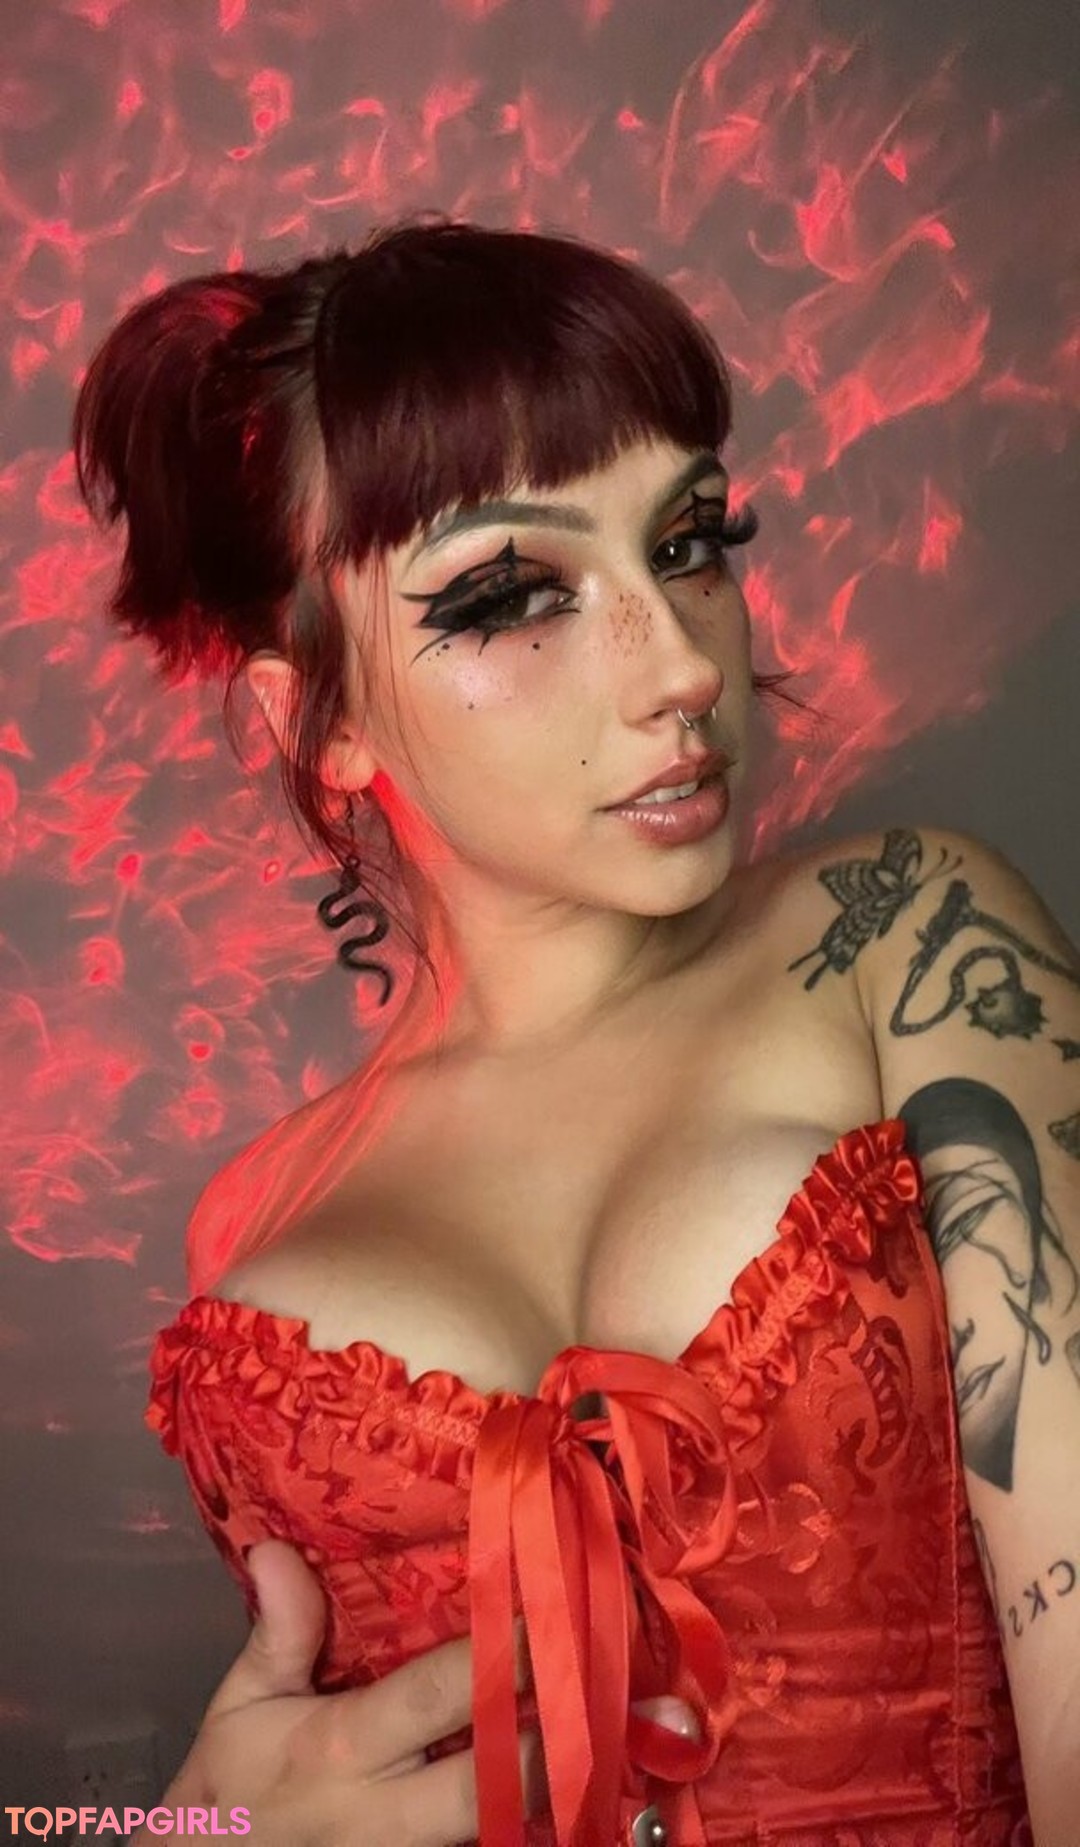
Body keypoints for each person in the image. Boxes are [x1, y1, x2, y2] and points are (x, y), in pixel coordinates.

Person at [73, 217, 1080, 1844]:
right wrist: (187, 1838)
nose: (682, 666)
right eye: (511, 595)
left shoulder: (908, 937)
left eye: (689, 541)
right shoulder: (250, 1221)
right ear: (316, 720)